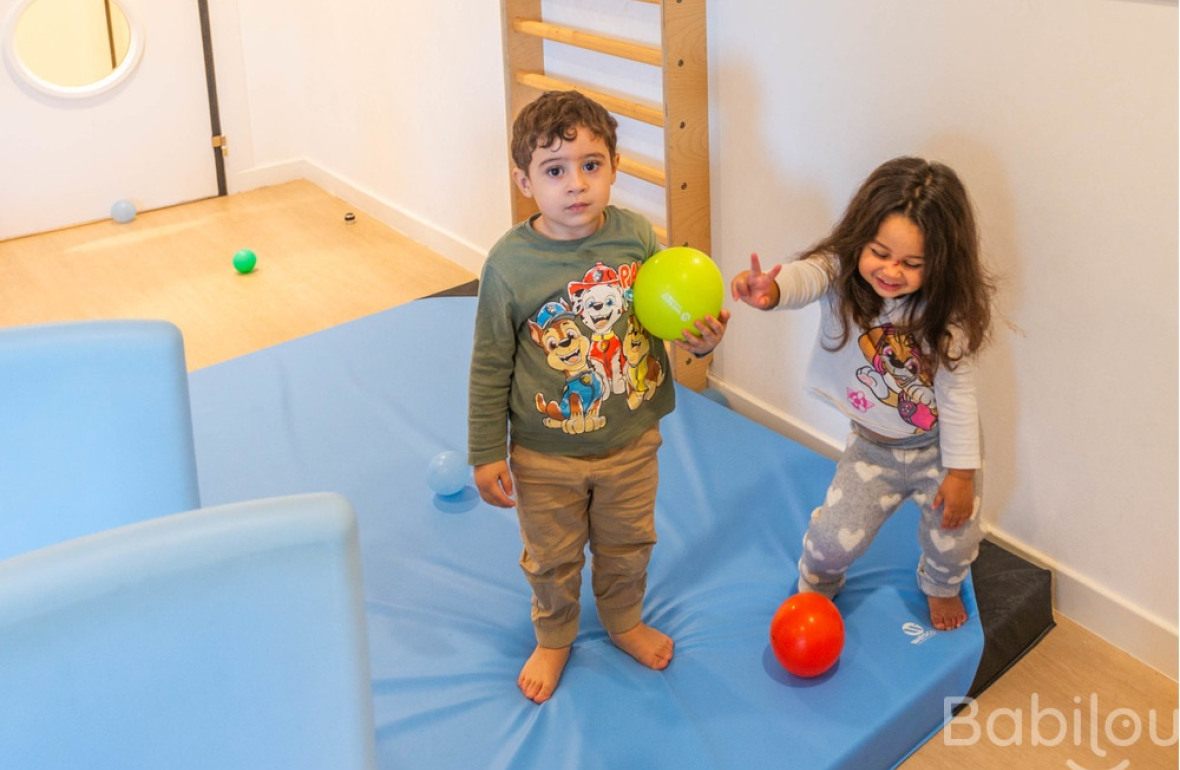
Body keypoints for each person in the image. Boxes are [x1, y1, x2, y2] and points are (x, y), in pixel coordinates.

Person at [468, 90, 729, 703]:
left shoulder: (636, 237)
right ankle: (555, 635)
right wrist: (486, 451)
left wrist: (702, 337)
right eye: (555, 170)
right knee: (552, 558)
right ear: (524, 180)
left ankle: (622, 620)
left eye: (591, 165)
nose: (576, 184)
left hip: (631, 439)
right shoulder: (509, 266)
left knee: (628, 543)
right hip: (545, 452)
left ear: (615, 165)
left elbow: (669, 313)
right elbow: (488, 365)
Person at [731, 156, 994, 631]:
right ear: (860, 240)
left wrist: (961, 474)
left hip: (938, 449)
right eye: (880, 252)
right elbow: (806, 275)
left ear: (941, 263)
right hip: (873, 447)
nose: (891, 271)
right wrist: (772, 291)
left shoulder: (946, 312)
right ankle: (817, 582)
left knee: (955, 536)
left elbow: (958, 396)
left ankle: (940, 585)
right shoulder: (842, 274)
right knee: (833, 541)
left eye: (912, 264)